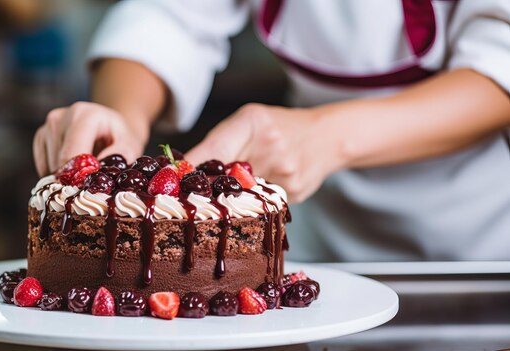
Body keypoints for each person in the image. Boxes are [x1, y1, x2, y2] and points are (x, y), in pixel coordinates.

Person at [33, 0, 510, 262]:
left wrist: (326, 137)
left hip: (472, 246)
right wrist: (122, 118)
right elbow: (167, 16)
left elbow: (499, 69)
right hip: (320, 240)